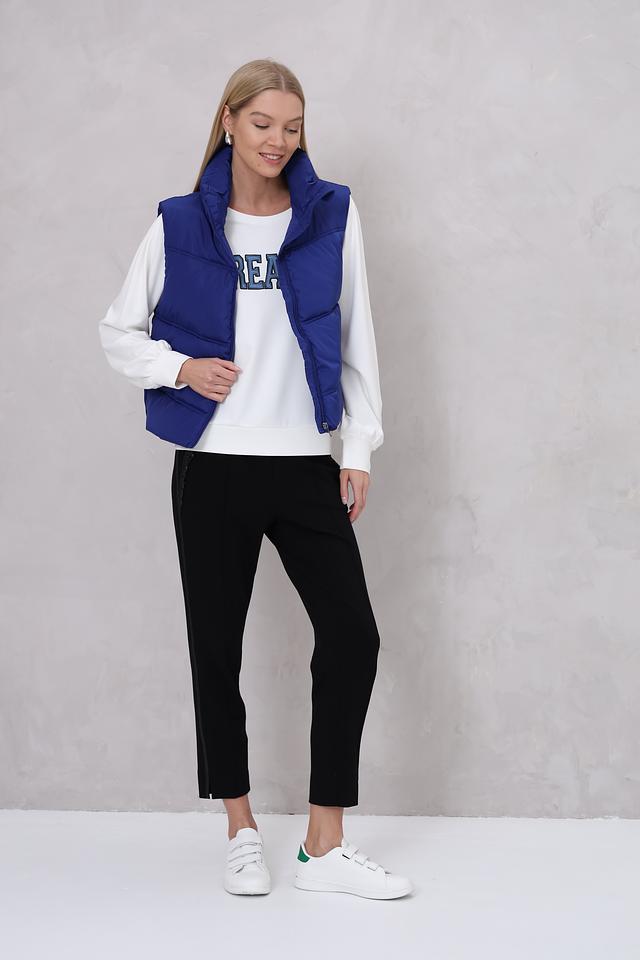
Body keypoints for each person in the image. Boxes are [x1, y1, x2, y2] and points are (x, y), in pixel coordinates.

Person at [99, 58, 412, 900]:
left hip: (303, 463)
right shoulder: (179, 223)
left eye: (293, 126)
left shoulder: (330, 214)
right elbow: (118, 331)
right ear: (230, 122)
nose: (279, 140)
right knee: (216, 651)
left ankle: (323, 843)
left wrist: (357, 449)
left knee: (352, 637)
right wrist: (179, 368)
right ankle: (239, 828)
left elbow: (357, 336)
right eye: (264, 122)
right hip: (211, 468)